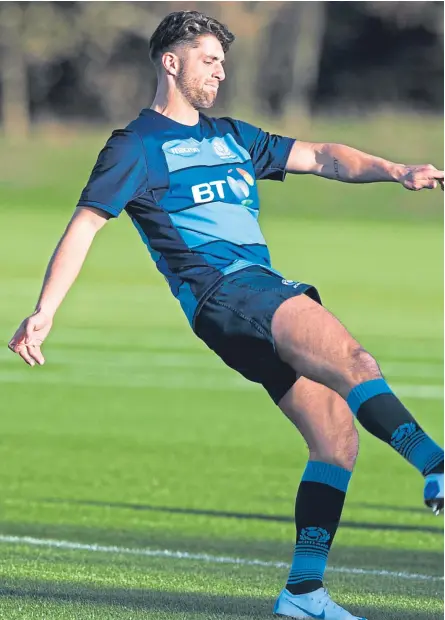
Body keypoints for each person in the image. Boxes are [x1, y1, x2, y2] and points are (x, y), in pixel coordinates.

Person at [8, 11, 444, 620]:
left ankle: (302, 594)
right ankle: (436, 464)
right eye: (208, 58)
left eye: (221, 61)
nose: (219, 70)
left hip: (250, 296)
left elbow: (320, 156)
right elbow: (85, 225)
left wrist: (396, 170)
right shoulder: (136, 146)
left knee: (336, 439)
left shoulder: (231, 136)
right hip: (227, 293)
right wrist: (43, 311)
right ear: (171, 62)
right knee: (354, 358)